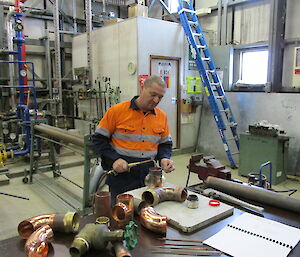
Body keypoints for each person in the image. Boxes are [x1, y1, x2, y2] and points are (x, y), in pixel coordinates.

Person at [92, 75, 175, 204]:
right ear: (142, 88)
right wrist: (114, 159)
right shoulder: (117, 111)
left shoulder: (162, 117)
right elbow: (98, 140)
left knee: (147, 212)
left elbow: (165, 144)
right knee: (122, 213)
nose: (156, 100)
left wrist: (164, 158)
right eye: (153, 94)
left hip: (149, 177)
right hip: (121, 176)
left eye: (160, 97)